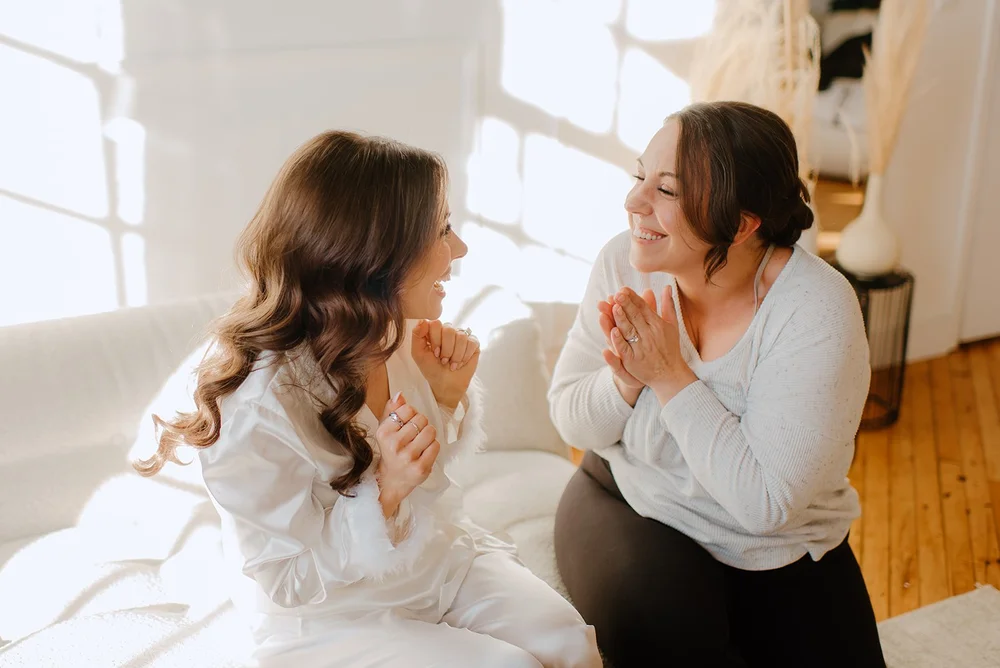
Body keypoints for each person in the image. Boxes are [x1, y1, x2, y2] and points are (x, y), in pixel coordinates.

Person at [135, 131, 601, 668]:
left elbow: (424, 476)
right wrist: (384, 492)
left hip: (435, 563)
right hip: (333, 616)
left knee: (570, 644)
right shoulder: (255, 402)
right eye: (443, 229)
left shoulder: (389, 331)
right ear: (374, 254)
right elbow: (288, 578)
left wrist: (444, 399)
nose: (460, 250)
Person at [549, 101, 885, 667]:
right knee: (672, 628)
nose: (634, 202)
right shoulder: (625, 262)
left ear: (741, 222)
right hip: (629, 498)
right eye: (640, 177)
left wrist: (670, 375)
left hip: (778, 545)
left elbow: (765, 505)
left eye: (667, 190)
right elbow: (570, 417)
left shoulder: (815, 310)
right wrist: (626, 382)